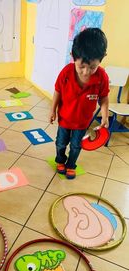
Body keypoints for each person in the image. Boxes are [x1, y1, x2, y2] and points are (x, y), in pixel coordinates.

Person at [50, 28, 109, 179]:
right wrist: (53, 110)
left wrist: (104, 115)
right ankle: (60, 160)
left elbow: (103, 97)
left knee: (76, 146)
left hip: (82, 123)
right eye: (81, 66)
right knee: (61, 143)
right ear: (73, 57)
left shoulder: (101, 76)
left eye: (92, 67)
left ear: (102, 59)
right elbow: (57, 91)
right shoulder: (66, 73)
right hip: (64, 119)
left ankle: (71, 165)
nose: (86, 72)